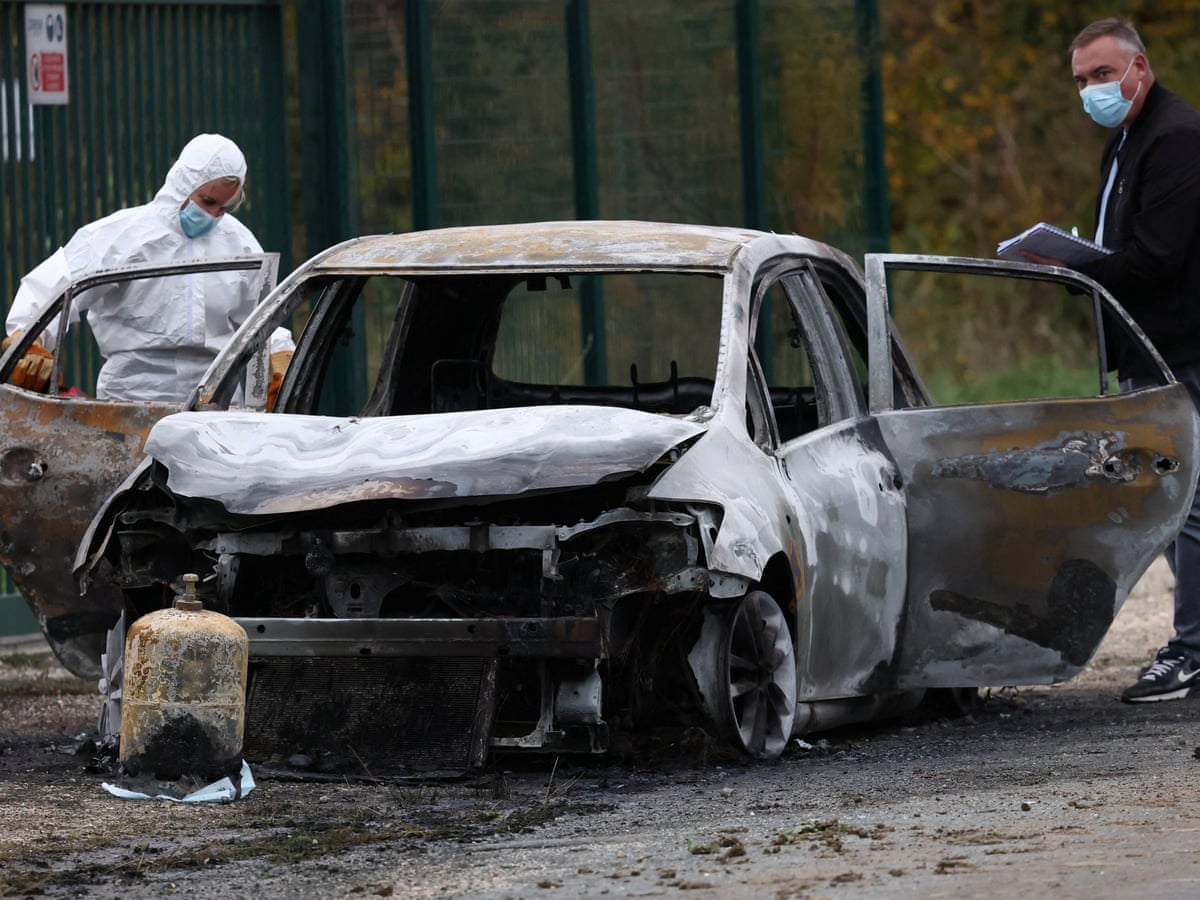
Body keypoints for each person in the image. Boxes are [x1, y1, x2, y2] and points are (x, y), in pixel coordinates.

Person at [1029, 19, 1200, 702]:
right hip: (1146, 352)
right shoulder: (1125, 142)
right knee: (1163, 501)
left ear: (1139, 67)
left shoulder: (1176, 138)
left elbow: (1157, 255)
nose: (1091, 90)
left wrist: (1079, 269)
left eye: (1101, 75)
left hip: (1181, 349)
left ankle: (1191, 649)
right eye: (1080, 81)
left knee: (1182, 502)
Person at [4, 132, 294, 405]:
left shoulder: (239, 244)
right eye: (207, 202)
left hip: (216, 401)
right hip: (132, 399)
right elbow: (56, 285)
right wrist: (28, 340)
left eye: (224, 207)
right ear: (183, 184)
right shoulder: (123, 235)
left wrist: (280, 354)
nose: (214, 215)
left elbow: (261, 314)